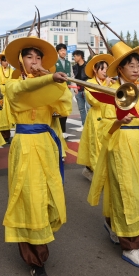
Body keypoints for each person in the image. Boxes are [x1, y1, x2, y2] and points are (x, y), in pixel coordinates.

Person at [2, 31, 72, 276]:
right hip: (24, 143)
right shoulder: (12, 83)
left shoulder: (50, 82)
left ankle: (40, 240)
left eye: (38, 57)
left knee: (46, 195)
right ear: (20, 62)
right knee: (27, 196)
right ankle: (35, 259)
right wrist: (49, 77)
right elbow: (20, 91)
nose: (33, 61)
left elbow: (65, 106)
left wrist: (54, 81)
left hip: (46, 143)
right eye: (28, 57)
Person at [87, 40, 139, 269]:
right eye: (131, 65)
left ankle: (112, 223)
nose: (136, 68)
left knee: (134, 189)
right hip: (120, 145)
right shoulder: (110, 92)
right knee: (128, 193)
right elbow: (103, 128)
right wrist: (119, 121)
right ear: (120, 68)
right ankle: (131, 246)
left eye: (138, 65)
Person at [76, 53, 114, 181]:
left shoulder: (110, 82)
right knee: (96, 145)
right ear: (95, 69)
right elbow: (94, 100)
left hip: (108, 116)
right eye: (102, 69)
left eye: (107, 69)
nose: (105, 72)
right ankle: (98, 174)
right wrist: (106, 86)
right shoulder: (89, 83)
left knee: (107, 145)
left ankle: (93, 170)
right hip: (96, 116)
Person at [0, 54, 14, 143]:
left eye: (7, 61)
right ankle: (0, 136)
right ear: (0, 61)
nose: (6, 62)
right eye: (4, 60)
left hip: (8, 95)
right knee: (0, 114)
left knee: (8, 115)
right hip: (0, 95)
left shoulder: (11, 70)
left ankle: (7, 136)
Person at [54, 43, 72, 135]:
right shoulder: (54, 62)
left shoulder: (69, 63)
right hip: (57, 89)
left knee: (66, 109)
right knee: (58, 110)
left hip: (67, 89)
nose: (63, 52)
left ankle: (63, 130)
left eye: (64, 50)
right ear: (58, 52)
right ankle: (58, 129)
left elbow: (72, 76)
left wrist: (74, 86)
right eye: (61, 50)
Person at [72, 49, 90, 125]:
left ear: (80, 56)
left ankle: (90, 125)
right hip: (78, 90)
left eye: (75, 56)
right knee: (81, 109)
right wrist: (75, 87)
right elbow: (74, 78)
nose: (74, 58)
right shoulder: (74, 67)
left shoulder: (88, 66)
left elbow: (90, 78)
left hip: (87, 90)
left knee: (89, 108)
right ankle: (84, 125)